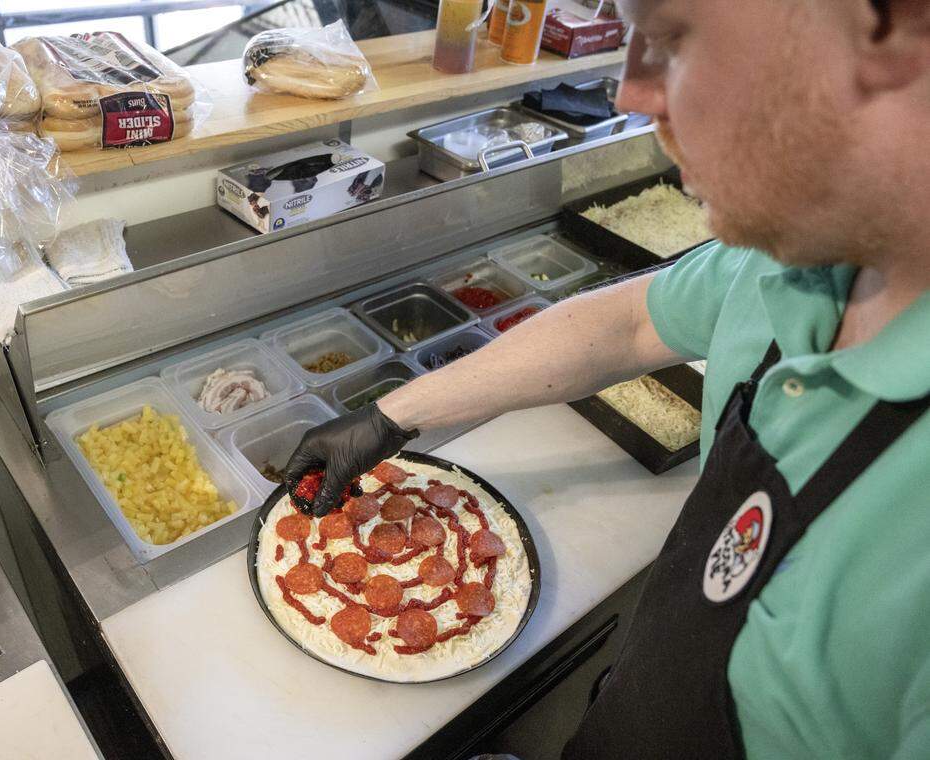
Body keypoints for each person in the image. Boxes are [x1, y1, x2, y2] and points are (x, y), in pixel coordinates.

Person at [283, 0, 930, 756]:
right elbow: (626, 324)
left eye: (668, 36)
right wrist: (391, 417)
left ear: (888, 23)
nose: (627, 92)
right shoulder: (796, 252)